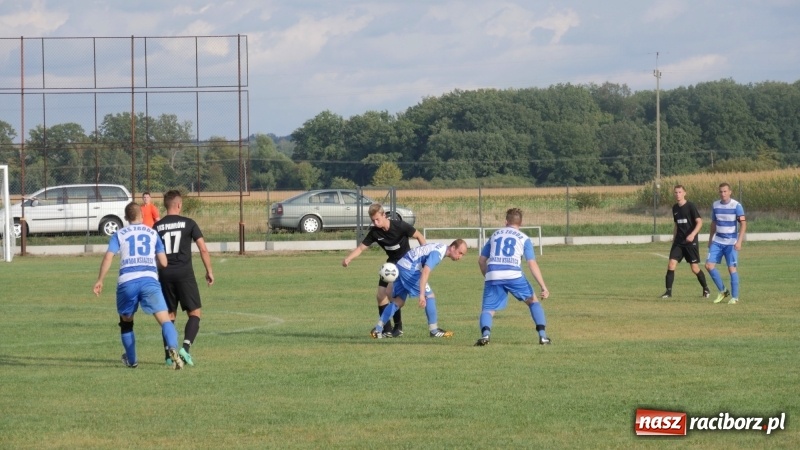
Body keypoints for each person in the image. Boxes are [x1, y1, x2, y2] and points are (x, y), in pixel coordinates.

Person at [92, 202, 184, 370]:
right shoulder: (152, 233)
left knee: (126, 322)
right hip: (149, 280)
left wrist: (100, 280)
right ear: (142, 216)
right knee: (165, 320)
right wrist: (149, 263)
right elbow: (163, 262)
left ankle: (132, 360)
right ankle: (172, 347)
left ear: (126, 218)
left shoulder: (119, 234)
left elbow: (108, 257)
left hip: (127, 281)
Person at [342, 203, 426, 338]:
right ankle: (387, 329)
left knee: (391, 294)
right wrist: (348, 258)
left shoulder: (400, 225)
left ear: (384, 215)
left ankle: (398, 327)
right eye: (373, 220)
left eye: (377, 219)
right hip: (391, 265)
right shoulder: (375, 232)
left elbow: (419, 236)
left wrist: (423, 257)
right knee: (380, 295)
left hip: (405, 264)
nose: (375, 223)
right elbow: (361, 248)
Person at [154, 190, 214, 367]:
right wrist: (209, 270)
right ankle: (185, 348)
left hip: (164, 274)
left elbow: (152, 253)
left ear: (166, 205)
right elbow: (203, 248)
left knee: (168, 317)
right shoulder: (189, 223)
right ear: (179, 204)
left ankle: (167, 355)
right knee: (194, 313)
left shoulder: (157, 227)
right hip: (185, 273)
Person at [474, 208, 551, 346]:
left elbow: (481, 260)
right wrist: (543, 286)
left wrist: (489, 277)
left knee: (488, 309)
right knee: (533, 301)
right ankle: (543, 336)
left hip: (493, 274)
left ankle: (485, 336)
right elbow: (531, 263)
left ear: (505, 222)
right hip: (514, 274)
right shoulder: (524, 238)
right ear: (520, 223)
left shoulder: (495, 235)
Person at [370, 239, 468, 339]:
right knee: (429, 296)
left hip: (401, 265)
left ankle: (378, 329)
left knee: (399, 301)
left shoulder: (440, 247)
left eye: (462, 255)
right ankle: (434, 330)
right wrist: (422, 294)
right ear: (453, 247)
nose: (460, 257)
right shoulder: (437, 253)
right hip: (409, 269)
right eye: (460, 253)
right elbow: (425, 271)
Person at [660, 185, 710, 299]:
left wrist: (692, 235)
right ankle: (668, 292)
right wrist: (674, 239)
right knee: (671, 264)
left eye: (680, 192)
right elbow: (676, 225)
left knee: (694, 268)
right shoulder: (675, 208)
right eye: (676, 192)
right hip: (679, 242)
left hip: (690, 243)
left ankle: (706, 288)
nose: (677, 194)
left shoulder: (690, 206)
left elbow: (699, 222)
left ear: (684, 193)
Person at [706, 182, 747, 304]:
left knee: (731, 269)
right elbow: (714, 223)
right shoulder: (715, 205)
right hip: (717, 242)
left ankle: (735, 297)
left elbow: (743, 224)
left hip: (731, 243)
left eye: (725, 191)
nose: (723, 194)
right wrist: (710, 239)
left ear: (730, 192)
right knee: (708, 266)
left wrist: (739, 241)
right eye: (721, 191)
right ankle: (723, 291)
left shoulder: (736, 206)